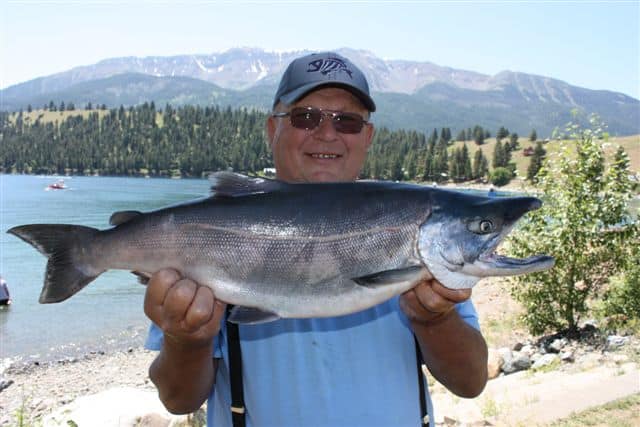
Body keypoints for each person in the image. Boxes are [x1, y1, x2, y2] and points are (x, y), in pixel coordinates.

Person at [144, 51, 488, 427]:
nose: (327, 133)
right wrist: (187, 341)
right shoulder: (209, 235)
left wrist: (434, 321)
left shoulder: (414, 233)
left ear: (367, 136)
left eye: (348, 121)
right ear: (273, 129)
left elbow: (470, 382)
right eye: (305, 117)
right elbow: (178, 400)